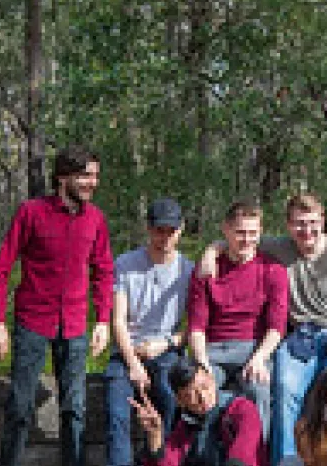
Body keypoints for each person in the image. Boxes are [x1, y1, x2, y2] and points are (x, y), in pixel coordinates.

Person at [197, 193, 327, 464]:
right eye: (299, 224)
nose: (307, 230)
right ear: (288, 226)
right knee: (284, 386)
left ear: (323, 221)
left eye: (313, 222)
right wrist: (211, 251)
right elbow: (237, 239)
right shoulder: (279, 248)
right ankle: (287, 459)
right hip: (299, 337)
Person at [0, 145, 116, 466]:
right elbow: (0, 270)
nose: (92, 183)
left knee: (74, 408)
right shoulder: (31, 212)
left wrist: (102, 321)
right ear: (62, 177)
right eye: (85, 176)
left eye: (95, 176)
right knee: (20, 405)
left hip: (74, 326)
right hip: (32, 322)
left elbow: (104, 271)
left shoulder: (95, 219)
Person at [106, 197, 198, 466]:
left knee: (171, 401)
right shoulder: (125, 265)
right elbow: (118, 321)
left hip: (167, 350)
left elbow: (194, 326)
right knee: (117, 413)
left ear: (180, 230)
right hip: (127, 352)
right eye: (160, 230)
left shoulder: (189, 271)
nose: (165, 237)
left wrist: (166, 342)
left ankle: (163, 461)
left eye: (172, 231)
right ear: (148, 228)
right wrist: (133, 364)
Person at [188, 201, 289, 441]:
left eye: (253, 233)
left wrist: (260, 358)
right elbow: (196, 326)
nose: (247, 239)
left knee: (259, 390)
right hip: (214, 349)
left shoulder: (272, 270)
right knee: (198, 391)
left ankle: (256, 455)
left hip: (253, 348)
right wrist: (202, 364)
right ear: (226, 230)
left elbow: (277, 327)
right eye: (240, 232)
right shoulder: (208, 269)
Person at [132, 356, 269, 466]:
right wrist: (155, 438)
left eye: (205, 387)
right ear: (180, 401)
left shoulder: (243, 409)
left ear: (212, 380)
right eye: (191, 395)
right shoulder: (185, 426)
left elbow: (242, 455)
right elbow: (169, 460)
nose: (203, 398)